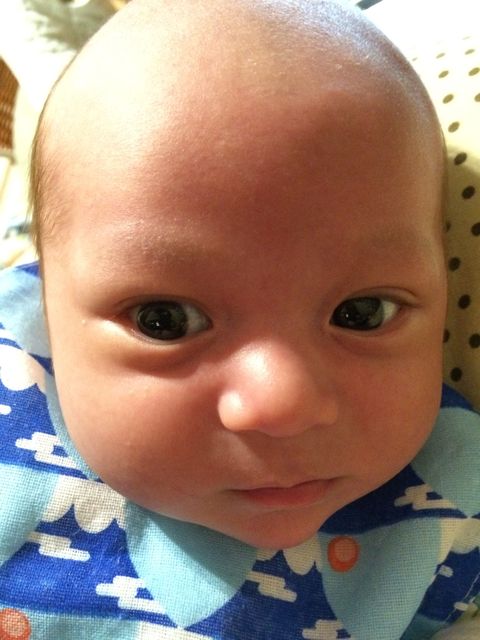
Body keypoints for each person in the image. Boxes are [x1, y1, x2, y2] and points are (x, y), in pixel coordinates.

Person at [0, 0, 479, 638]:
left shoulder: (453, 502)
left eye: (361, 314)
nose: (281, 405)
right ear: (47, 299)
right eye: (164, 320)